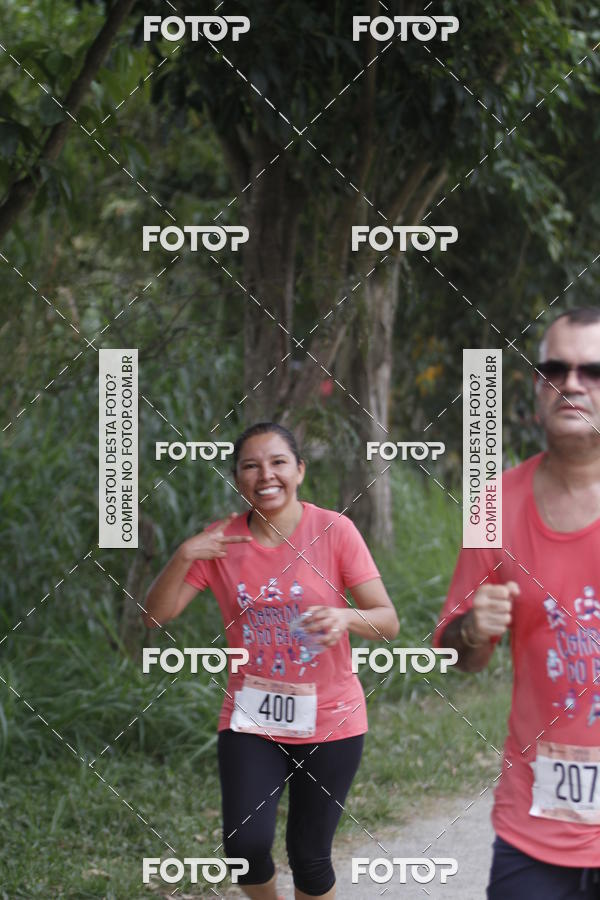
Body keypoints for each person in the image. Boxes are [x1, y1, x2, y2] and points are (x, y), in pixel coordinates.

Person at [144, 422, 399, 899]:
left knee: (310, 855)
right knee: (245, 845)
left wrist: (346, 618)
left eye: (279, 462)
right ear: (237, 477)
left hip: (331, 720)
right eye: (251, 466)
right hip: (251, 717)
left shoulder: (334, 530)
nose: (266, 475)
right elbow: (153, 618)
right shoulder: (219, 542)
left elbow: (387, 621)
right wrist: (182, 555)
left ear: (299, 470)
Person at [434, 308, 600, 898]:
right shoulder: (493, 505)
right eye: (555, 369)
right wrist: (473, 632)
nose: (572, 384)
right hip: (534, 828)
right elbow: (457, 656)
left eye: (592, 370)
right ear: (537, 387)